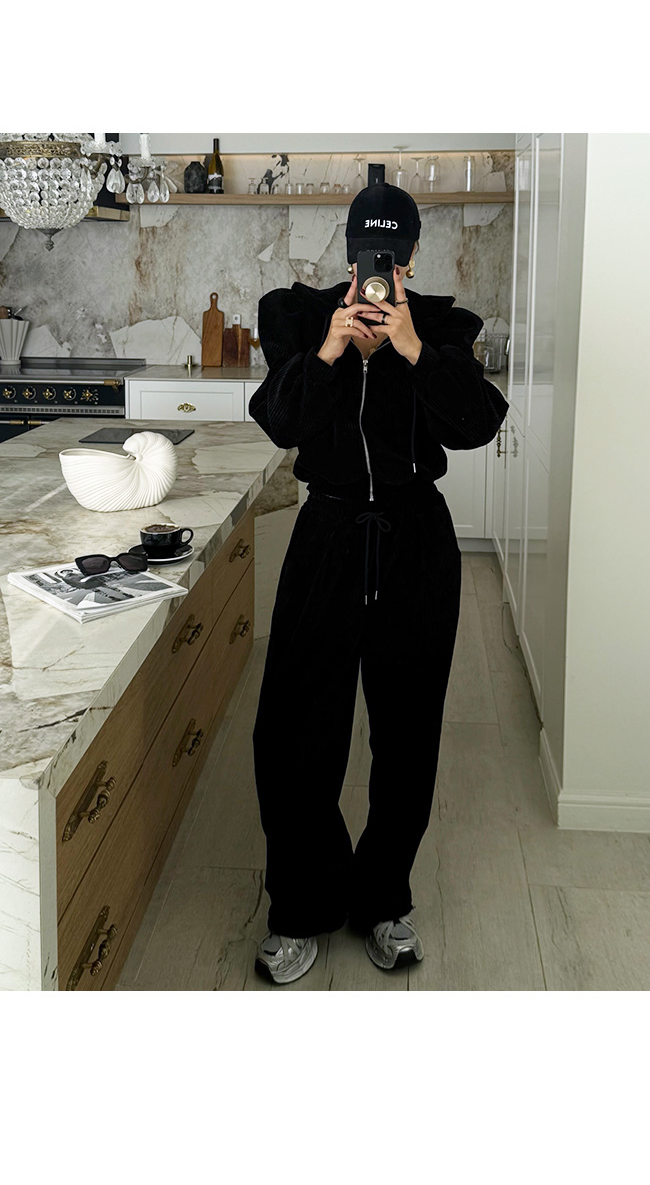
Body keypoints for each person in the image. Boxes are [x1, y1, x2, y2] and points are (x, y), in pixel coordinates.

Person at [248, 181, 509, 985]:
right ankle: (301, 905)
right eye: (369, 248)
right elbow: (278, 420)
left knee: (407, 733)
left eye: (394, 251)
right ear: (350, 247)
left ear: (413, 255)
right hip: (327, 535)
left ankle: (384, 898)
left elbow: (479, 423)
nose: (380, 265)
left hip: (414, 542)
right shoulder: (301, 320)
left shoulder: (440, 330)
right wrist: (330, 352)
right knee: (294, 730)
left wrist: (414, 349)